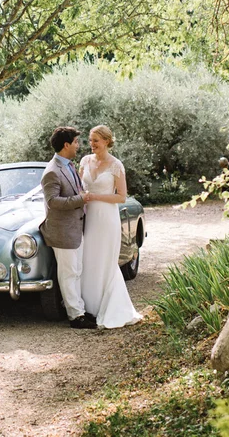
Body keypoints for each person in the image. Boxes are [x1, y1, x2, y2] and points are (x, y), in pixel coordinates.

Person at [79, 125, 142, 329]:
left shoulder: (116, 165)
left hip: (107, 218)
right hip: (88, 217)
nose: (92, 144)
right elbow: (79, 187)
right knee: (88, 258)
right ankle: (88, 308)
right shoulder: (84, 161)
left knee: (105, 260)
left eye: (96, 140)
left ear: (106, 141)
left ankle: (108, 308)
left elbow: (121, 196)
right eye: (90, 140)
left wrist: (95, 196)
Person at [39, 126, 97, 329]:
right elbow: (52, 202)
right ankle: (75, 317)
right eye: (75, 142)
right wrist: (79, 199)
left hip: (74, 229)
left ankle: (78, 310)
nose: (78, 146)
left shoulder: (68, 166)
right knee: (69, 273)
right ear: (66, 145)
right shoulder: (52, 171)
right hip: (62, 231)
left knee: (77, 271)